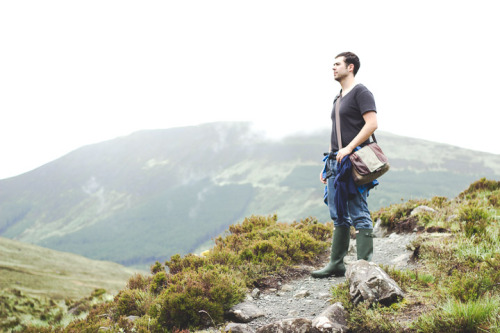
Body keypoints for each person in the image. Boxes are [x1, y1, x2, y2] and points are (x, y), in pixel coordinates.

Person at [311, 52, 378, 278]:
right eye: (333, 64)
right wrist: (327, 165)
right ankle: (336, 264)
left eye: (337, 64)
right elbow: (336, 134)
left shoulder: (361, 92)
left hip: (354, 161)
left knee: (358, 211)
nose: (333, 68)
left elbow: (372, 124)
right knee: (338, 212)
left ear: (350, 67)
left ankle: (364, 269)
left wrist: (349, 148)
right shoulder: (338, 97)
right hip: (336, 162)